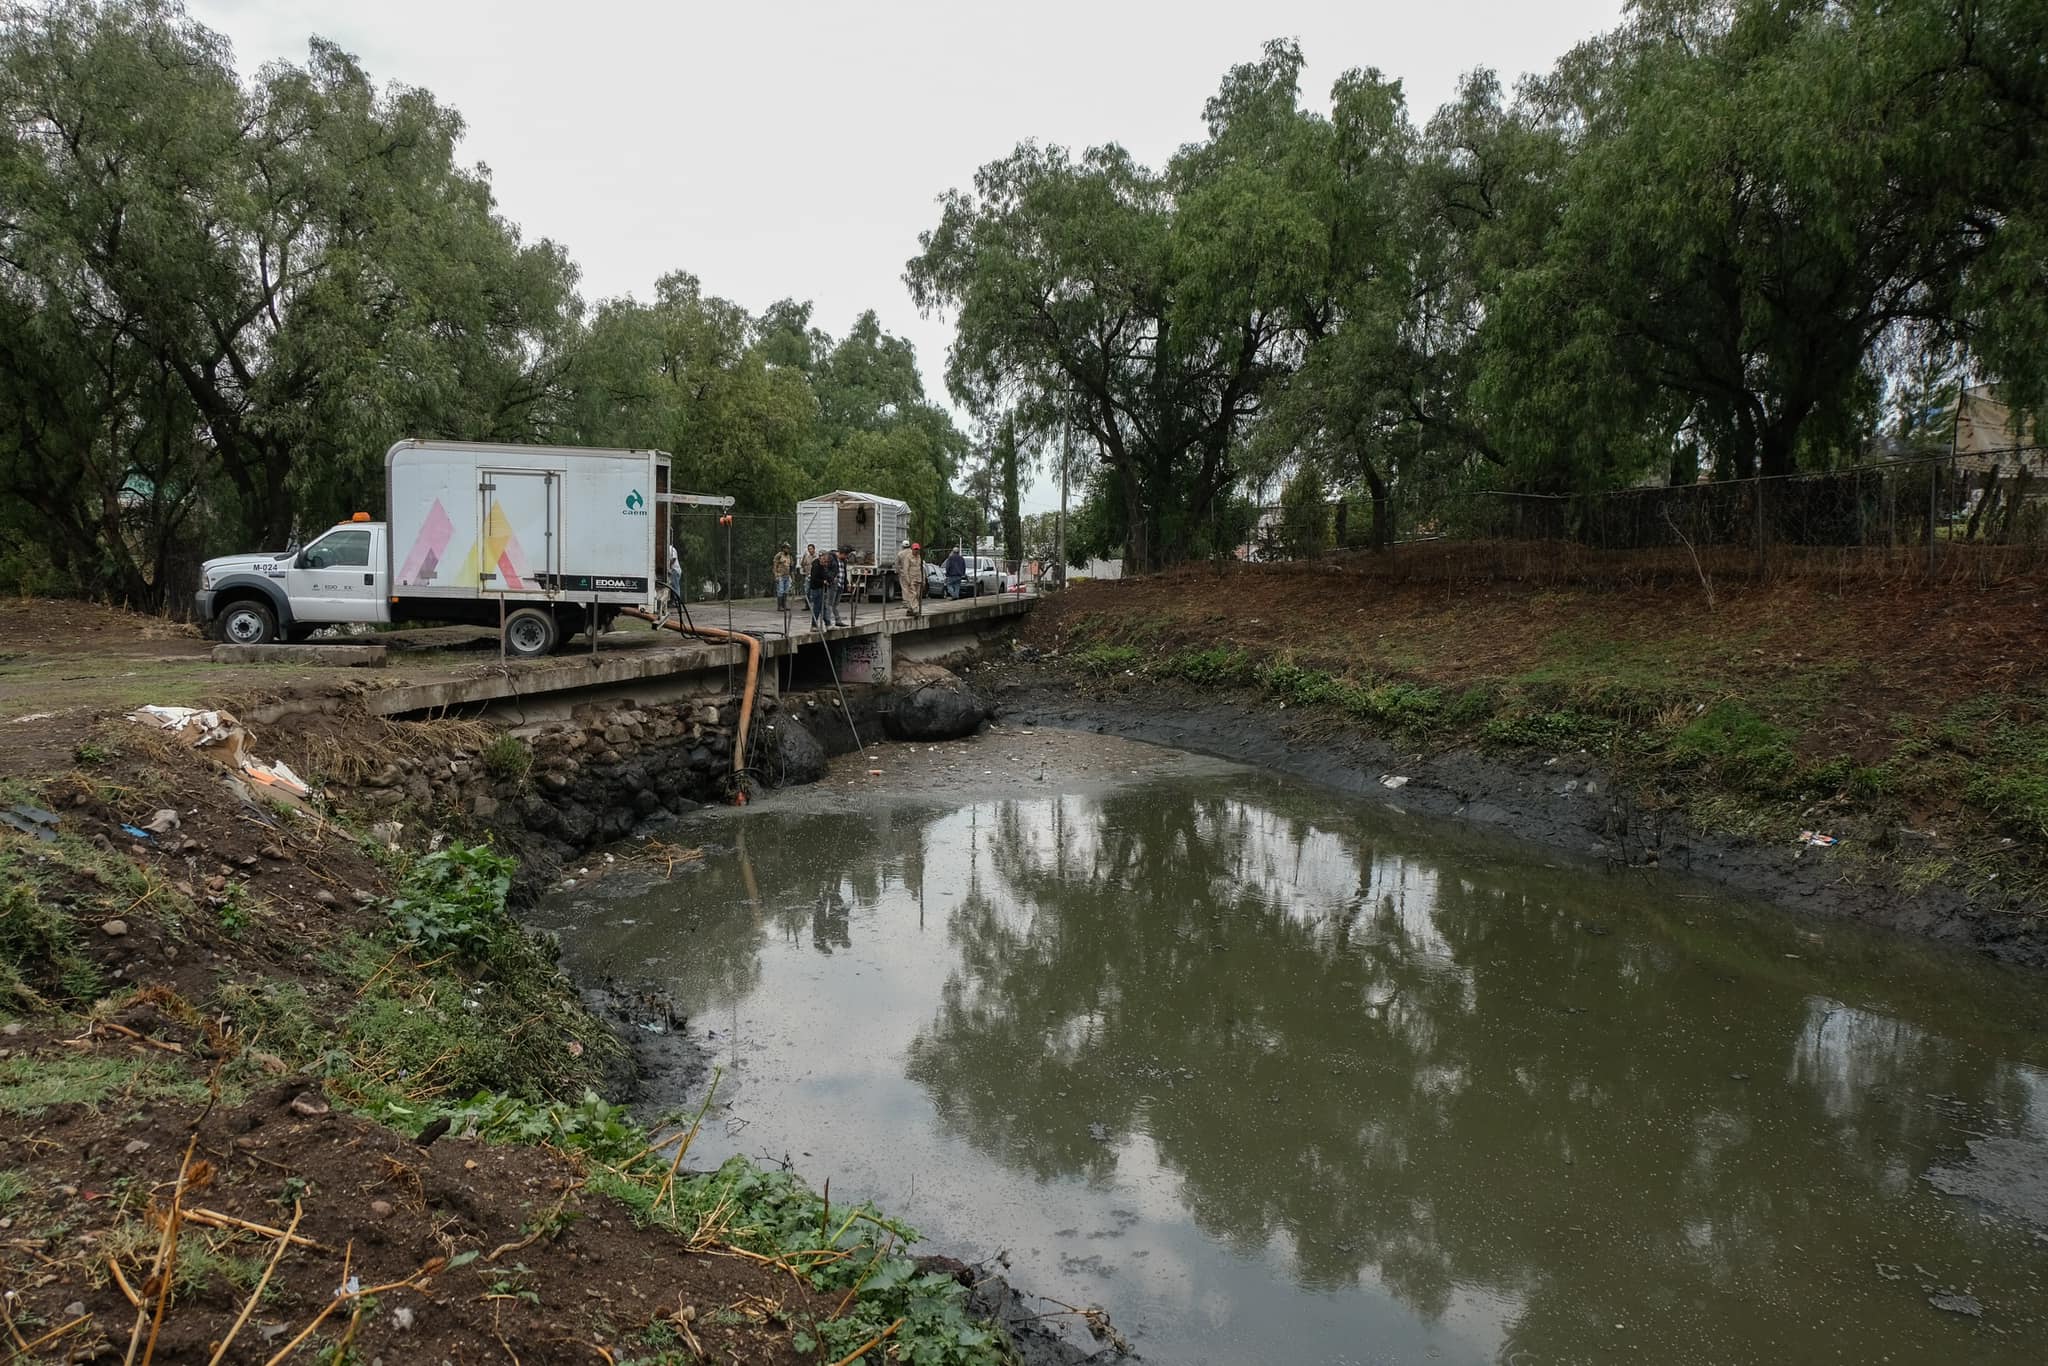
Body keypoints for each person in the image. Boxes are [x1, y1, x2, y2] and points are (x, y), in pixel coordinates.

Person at [895, 539, 923, 617]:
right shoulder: (908, 556)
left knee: (914, 594)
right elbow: (906, 568)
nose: (917, 551)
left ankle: (909, 609)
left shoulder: (901, 554)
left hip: (916, 578)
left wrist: (898, 572)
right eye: (915, 549)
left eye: (918, 549)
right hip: (910, 577)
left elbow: (897, 564)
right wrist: (908, 579)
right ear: (911, 548)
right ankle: (915, 609)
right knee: (912, 593)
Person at [807, 546, 832, 626]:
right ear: (821, 557)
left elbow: (825, 575)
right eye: (824, 560)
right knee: (817, 607)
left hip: (821, 588)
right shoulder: (816, 566)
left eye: (826, 561)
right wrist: (823, 581)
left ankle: (827, 623)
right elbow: (814, 578)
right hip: (816, 589)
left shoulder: (823, 566)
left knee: (824, 607)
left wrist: (829, 580)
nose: (825, 563)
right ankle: (814, 624)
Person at [831, 544, 852, 625]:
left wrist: (847, 583)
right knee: (830, 604)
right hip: (834, 585)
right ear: (842, 553)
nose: (847, 557)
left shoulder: (843, 561)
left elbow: (844, 573)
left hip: (841, 585)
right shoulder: (832, 559)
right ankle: (828, 621)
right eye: (846, 555)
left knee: (835, 605)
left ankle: (838, 621)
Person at [771, 542, 794, 611]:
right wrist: (775, 575)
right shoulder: (779, 555)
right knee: (780, 591)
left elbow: (791, 567)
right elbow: (775, 565)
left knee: (786, 591)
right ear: (783, 548)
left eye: (788, 548)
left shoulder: (790, 556)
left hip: (787, 575)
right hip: (780, 575)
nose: (787, 550)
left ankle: (784, 605)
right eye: (786, 548)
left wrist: (792, 576)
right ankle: (779, 606)